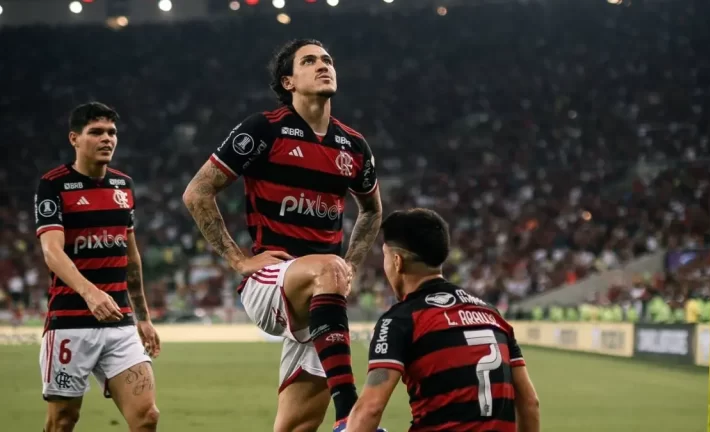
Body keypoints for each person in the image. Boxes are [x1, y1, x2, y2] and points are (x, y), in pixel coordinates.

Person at [182, 39, 384, 432]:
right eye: (309, 61)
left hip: (322, 299)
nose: (323, 65)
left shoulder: (354, 146)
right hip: (270, 281)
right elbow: (197, 192)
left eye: (328, 59)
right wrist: (238, 260)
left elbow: (373, 210)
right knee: (329, 266)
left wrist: (352, 268)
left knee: (295, 426)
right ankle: (352, 417)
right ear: (288, 82)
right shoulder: (264, 129)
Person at [346, 208, 541, 432]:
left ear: (397, 261)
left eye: (385, 257)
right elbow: (529, 403)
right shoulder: (492, 315)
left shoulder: (401, 319)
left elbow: (370, 409)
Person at [35, 102, 161, 432]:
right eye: (96, 132)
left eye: (112, 132)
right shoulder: (53, 185)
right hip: (70, 324)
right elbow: (52, 251)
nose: (107, 139)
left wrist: (144, 318)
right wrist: (91, 294)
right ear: (75, 138)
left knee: (147, 417)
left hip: (120, 323)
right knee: (63, 420)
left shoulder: (123, 186)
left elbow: (131, 259)